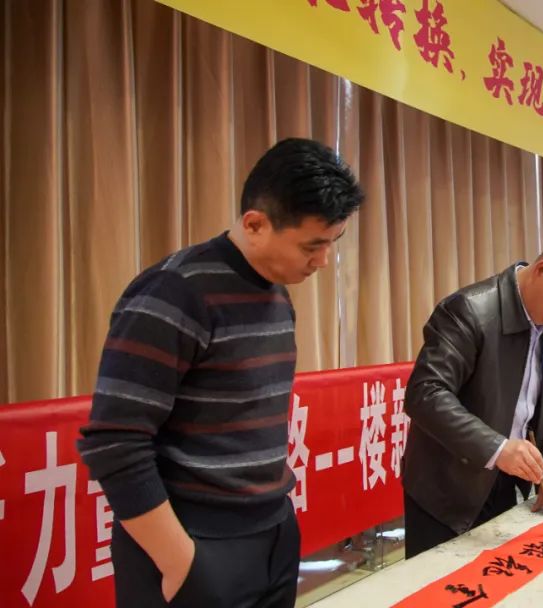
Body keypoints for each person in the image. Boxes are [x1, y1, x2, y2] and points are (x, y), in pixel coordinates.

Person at [77, 138, 364, 607]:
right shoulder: (173, 293)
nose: (323, 261)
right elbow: (115, 441)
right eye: (312, 246)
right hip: (194, 539)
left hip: (272, 530)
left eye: (333, 243)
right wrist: (180, 562)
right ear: (255, 224)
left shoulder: (276, 292)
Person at [401, 237, 543, 558]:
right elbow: (425, 393)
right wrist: (497, 448)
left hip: (504, 479)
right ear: (542, 270)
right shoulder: (469, 310)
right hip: (447, 487)